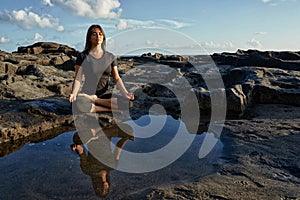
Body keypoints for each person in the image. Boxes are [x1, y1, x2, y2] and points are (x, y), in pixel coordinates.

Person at [68, 24, 134, 113]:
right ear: (89, 37)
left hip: (104, 95)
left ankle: (95, 101)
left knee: (128, 103)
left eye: (100, 34)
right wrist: (74, 94)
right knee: (77, 103)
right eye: (94, 34)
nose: (98, 36)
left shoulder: (111, 57)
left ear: (103, 37)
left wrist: (126, 93)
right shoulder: (83, 56)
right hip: (87, 93)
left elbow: (116, 78)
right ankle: (107, 108)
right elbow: (78, 78)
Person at [71, 124, 134, 198]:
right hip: (106, 135)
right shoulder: (113, 166)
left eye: (98, 189)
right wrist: (126, 138)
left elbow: (82, 153)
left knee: (77, 139)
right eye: (104, 189)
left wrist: (76, 147)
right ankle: (100, 131)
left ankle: (98, 131)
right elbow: (118, 148)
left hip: (91, 138)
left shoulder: (87, 170)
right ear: (107, 185)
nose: (100, 186)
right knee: (129, 131)